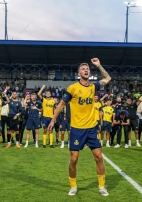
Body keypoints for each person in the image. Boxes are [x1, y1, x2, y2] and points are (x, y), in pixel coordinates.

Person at [47, 58, 111, 196]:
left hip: (92, 128)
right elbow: (62, 104)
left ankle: (101, 186)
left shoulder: (94, 87)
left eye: (87, 68)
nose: (86, 70)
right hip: (76, 129)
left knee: (99, 157)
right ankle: (73, 186)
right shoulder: (73, 88)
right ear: (78, 73)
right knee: (74, 159)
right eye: (83, 69)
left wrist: (99, 65)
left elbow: (107, 78)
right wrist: (53, 119)